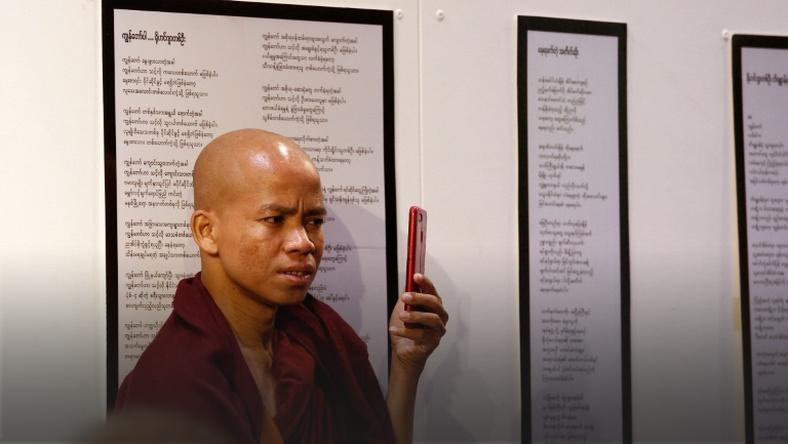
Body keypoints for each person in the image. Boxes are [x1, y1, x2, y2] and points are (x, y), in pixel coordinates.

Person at [114, 129, 448, 444]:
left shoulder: (316, 336)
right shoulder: (173, 381)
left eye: (314, 222)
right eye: (274, 220)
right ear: (207, 231)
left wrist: (406, 365)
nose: (304, 243)